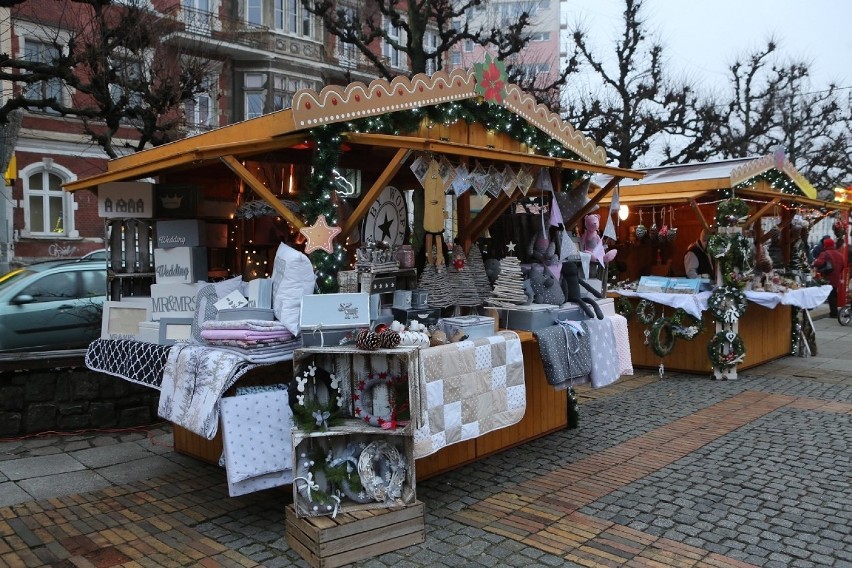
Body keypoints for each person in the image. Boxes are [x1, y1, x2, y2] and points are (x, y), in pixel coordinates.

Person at [813, 238, 846, 318]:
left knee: (828, 294)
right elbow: (843, 266)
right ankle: (834, 312)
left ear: (826, 245)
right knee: (833, 294)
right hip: (836, 277)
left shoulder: (825, 253)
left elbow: (819, 263)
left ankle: (833, 313)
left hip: (827, 277)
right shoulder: (839, 254)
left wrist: (814, 262)